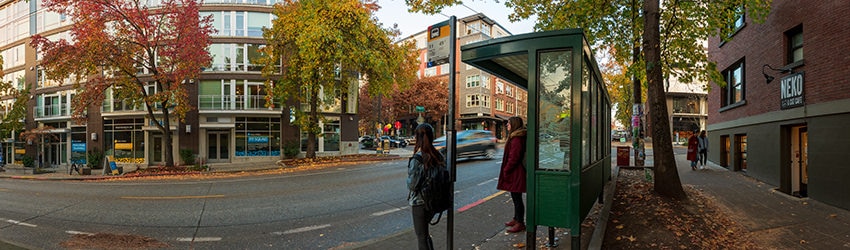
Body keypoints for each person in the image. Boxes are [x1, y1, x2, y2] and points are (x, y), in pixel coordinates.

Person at [407, 123, 445, 250]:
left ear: (417, 138)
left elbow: (412, 185)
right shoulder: (438, 155)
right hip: (434, 200)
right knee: (426, 235)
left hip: (419, 202)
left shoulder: (417, 159)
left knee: (422, 237)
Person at [498, 116, 527, 233]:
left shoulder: (516, 139)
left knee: (517, 198)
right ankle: (516, 219)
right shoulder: (515, 137)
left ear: (514, 124)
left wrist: (506, 170)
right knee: (515, 196)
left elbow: (514, 157)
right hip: (515, 171)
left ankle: (520, 223)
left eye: (509, 123)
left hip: (516, 172)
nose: (507, 125)